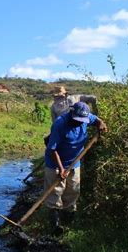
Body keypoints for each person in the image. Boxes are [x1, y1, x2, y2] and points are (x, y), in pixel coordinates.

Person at [44, 101, 107, 235]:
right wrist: (61, 169)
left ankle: (68, 224)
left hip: (74, 162)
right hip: (56, 163)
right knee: (55, 193)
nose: (79, 123)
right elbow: (52, 149)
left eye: (82, 121)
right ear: (72, 113)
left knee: (73, 190)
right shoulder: (60, 124)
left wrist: (101, 124)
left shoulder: (85, 118)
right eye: (77, 120)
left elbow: (96, 120)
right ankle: (55, 227)